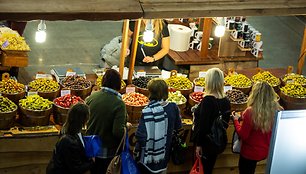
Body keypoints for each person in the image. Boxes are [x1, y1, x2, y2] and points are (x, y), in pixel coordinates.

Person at [232, 81, 283, 174]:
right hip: (266, 151)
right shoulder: (278, 110)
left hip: (249, 154)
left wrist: (235, 120)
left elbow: (243, 135)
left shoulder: (250, 112)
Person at [135, 78, 182, 173]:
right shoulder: (173, 107)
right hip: (165, 155)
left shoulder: (147, 111)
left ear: (151, 93)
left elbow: (140, 135)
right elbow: (178, 126)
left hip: (148, 158)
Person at [85, 69, 127, 174]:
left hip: (91, 148)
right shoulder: (119, 103)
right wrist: (127, 128)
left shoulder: (91, 97)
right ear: (118, 84)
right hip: (106, 151)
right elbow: (117, 131)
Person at [193, 67, 231, 174]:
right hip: (217, 142)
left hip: (206, 143)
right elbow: (225, 123)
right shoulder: (226, 100)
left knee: (203, 169)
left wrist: (199, 145)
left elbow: (203, 126)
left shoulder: (208, 101)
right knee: (209, 167)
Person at [46, 103, 94, 174]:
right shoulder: (70, 142)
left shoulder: (71, 131)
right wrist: (92, 162)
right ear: (84, 120)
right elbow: (76, 169)